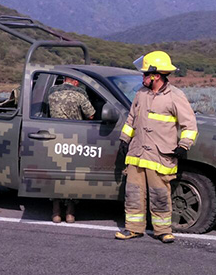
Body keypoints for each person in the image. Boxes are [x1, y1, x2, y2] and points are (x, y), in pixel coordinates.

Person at [115, 51, 197, 243]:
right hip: (137, 154)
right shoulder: (140, 94)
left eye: (145, 74)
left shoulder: (175, 96)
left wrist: (184, 145)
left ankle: (163, 230)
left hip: (160, 156)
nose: (142, 77)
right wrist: (124, 140)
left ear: (156, 76)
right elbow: (131, 119)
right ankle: (133, 228)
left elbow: (190, 125)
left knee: (160, 195)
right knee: (133, 193)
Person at [46, 76, 95, 223]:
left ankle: (55, 212)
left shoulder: (51, 92)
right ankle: (70, 212)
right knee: (73, 173)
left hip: (55, 136)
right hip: (74, 137)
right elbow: (91, 115)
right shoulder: (79, 94)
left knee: (57, 173)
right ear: (75, 81)